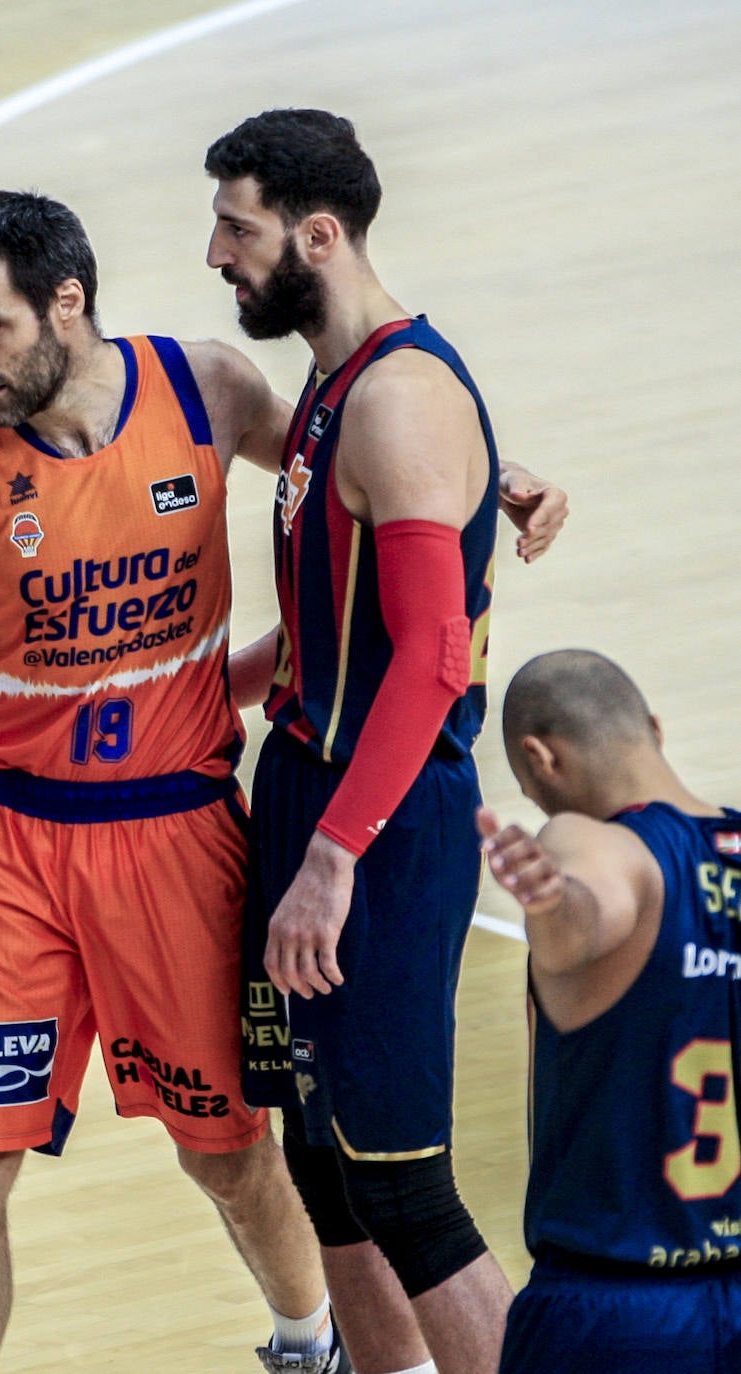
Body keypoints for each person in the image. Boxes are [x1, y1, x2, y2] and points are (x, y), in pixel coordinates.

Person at [0, 187, 562, 1373]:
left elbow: (349, 453)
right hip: (4, 842)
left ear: (67, 302)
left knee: (226, 1149)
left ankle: (306, 1340)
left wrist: (485, 472)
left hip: (177, 830)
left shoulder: (204, 388)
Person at [204, 108, 530, 1374]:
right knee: (323, 1167)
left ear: (317, 236)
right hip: (306, 790)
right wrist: (176, 693)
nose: (217, 255)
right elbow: (327, 629)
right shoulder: (337, 386)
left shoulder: (396, 400)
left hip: (377, 828)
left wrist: (334, 858)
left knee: (402, 1183)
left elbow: (431, 660)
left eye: (236, 229)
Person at [479, 648, 741, 1373]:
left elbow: (591, 914)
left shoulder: (588, 839)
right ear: (653, 728)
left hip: (614, 1312)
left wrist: (553, 901)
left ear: (540, 759)